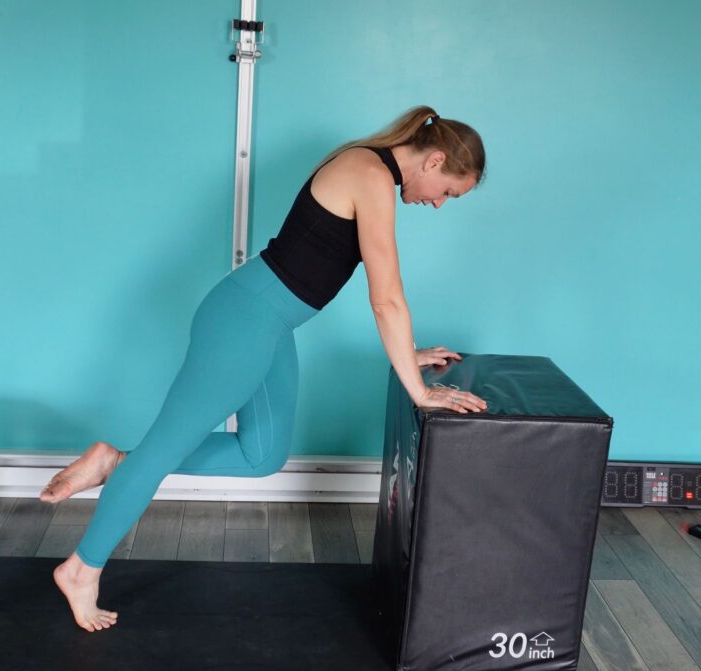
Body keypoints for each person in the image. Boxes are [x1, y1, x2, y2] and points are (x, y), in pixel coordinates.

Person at [38, 105, 488, 632]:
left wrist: (406, 353)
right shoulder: (369, 174)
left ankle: (115, 462)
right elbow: (385, 295)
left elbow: (374, 288)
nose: (438, 203)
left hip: (269, 328)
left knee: (262, 456)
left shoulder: (370, 172)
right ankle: (80, 568)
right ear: (435, 161)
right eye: (448, 192)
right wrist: (421, 392)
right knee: (163, 451)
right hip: (243, 323)